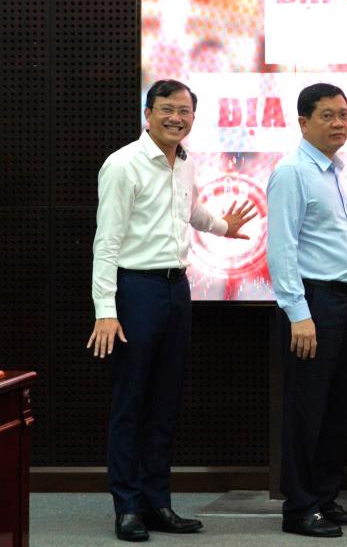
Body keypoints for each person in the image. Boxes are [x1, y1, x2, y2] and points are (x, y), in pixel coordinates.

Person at [89, 79, 257, 542]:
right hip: (135, 290)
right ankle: (127, 507)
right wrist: (106, 310)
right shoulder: (123, 164)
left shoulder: (184, 162)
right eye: (167, 109)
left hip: (176, 289)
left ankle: (157, 502)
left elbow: (189, 211)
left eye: (184, 111)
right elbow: (106, 242)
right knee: (131, 401)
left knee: (165, 401)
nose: (176, 118)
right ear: (148, 114)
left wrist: (222, 226)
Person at [266, 83, 347, 538]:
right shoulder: (292, 172)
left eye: (343, 114)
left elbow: (325, 228)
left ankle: (324, 498)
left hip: (342, 300)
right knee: (307, 409)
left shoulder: (333, 170)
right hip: (313, 302)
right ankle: (299, 508)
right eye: (328, 115)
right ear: (303, 122)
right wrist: (298, 313)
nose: (339, 123)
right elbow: (282, 247)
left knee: (335, 407)